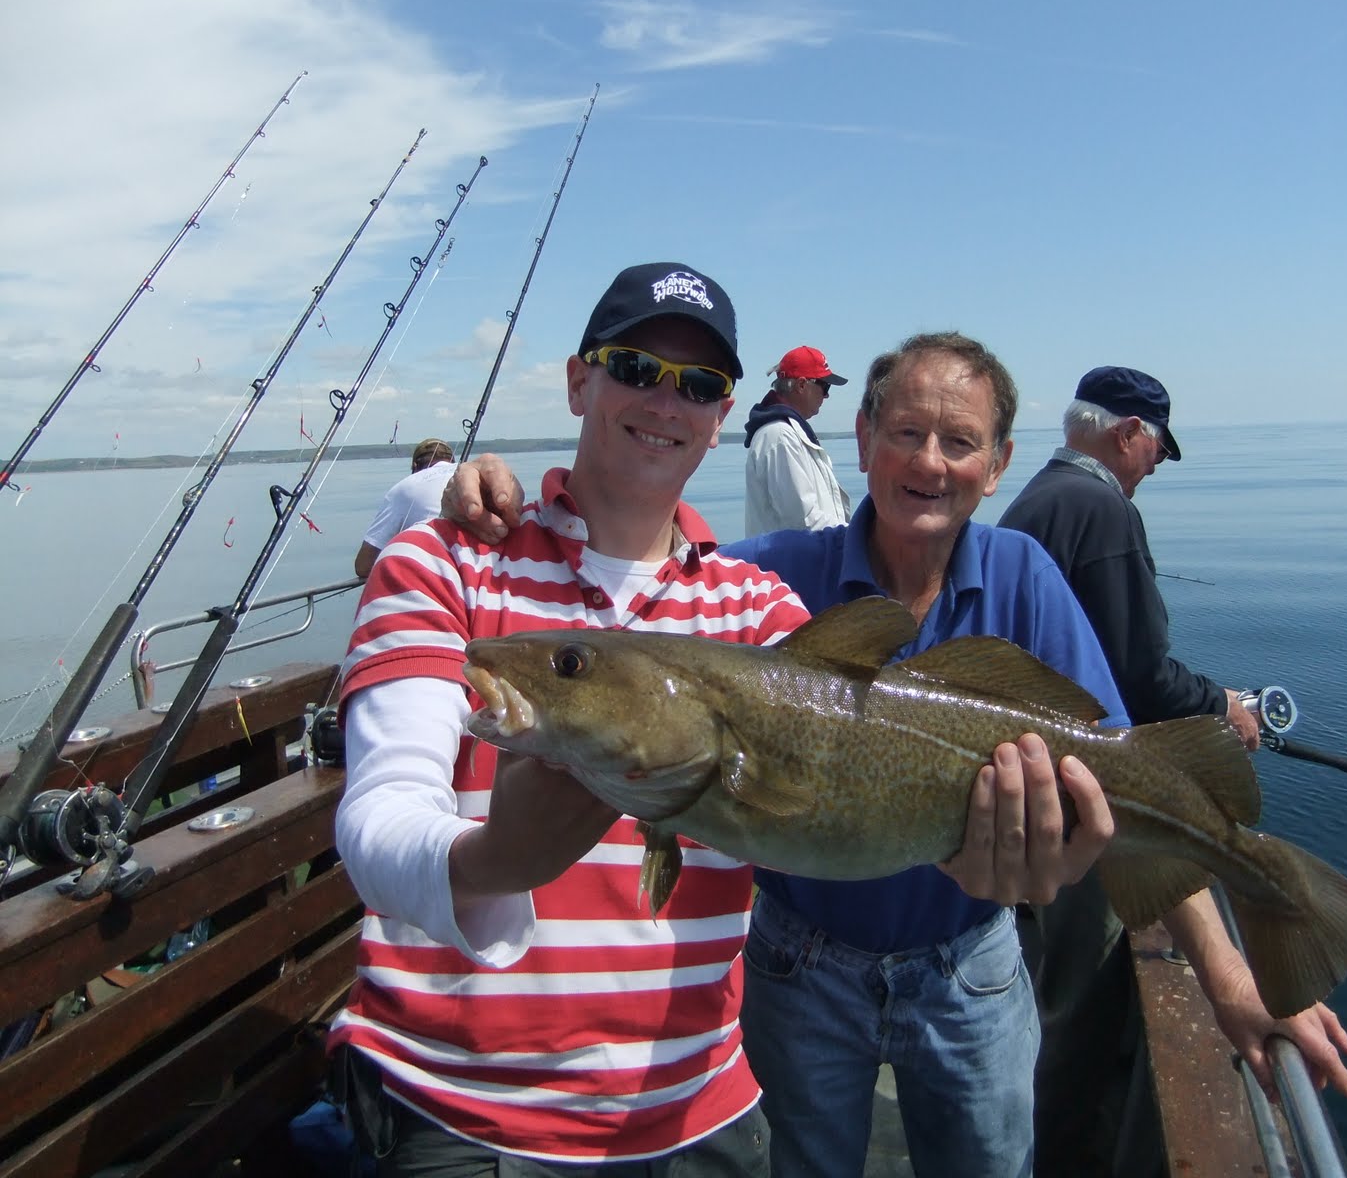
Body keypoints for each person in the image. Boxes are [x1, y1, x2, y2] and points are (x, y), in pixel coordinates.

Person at [335, 266, 1110, 1175]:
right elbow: (376, 822)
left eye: (700, 385)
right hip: (465, 1108)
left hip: (700, 1115)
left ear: (721, 415)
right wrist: (496, 861)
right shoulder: (448, 561)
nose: (668, 401)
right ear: (580, 379)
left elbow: (866, 746)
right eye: (636, 367)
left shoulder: (757, 608)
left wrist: (997, 847)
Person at [999, 365, 1347, 1176]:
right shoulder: (1101, 509)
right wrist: (1223, 707)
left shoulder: (1040, 499)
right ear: (1129, 434)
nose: (1156, 465)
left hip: (1037, 788)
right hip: (1087, 801)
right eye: (1157, 448)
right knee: (1080, 1005)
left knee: (1047, 992)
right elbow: (1137, 676)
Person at [741, 344, 851, 534]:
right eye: (824, 386)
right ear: (801, 385)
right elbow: (803, 521)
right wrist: (860, 538)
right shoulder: (780, 437)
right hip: (789, 564)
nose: (827, 395)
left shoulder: (787, 433)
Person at [353, 437, 458, 579]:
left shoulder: (403, 487)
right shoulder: (470, 474)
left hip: (434, 582)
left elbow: (364, 566)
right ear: (452, 461)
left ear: (415, 465)